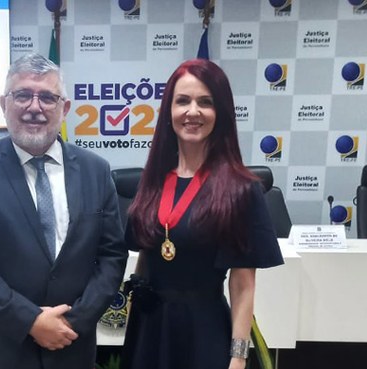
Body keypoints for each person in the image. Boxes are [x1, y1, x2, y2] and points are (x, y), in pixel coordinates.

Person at [0, 53, 128, 369]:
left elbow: (112, 256)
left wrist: (74, 322)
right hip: (1, 350)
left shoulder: (96, 171)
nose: (35, 107)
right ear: (5, 104)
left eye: (47, 97)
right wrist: (30, 321)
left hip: (71, 345)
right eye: (23, 95)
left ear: (65, 108)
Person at [121, 59, 284, 369]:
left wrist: (238, 356)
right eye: (182, 101)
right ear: (169, 112)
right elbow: (147, 254)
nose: (192, 111)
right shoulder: (152, 181)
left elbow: (243, 283)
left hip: (205, 330)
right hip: (150, 331)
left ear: (220, 113)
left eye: (205, 102)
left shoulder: (240, 189)